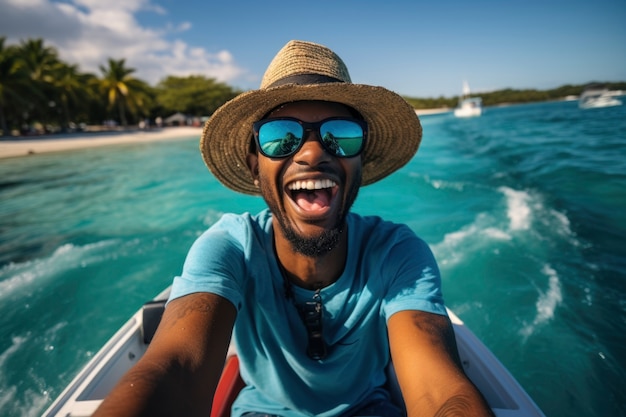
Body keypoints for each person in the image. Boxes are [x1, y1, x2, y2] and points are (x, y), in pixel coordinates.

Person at [94, 40, 494, 417]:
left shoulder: (398, 253)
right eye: (279, 137)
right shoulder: (230, 247)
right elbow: (176, 367)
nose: (312, 152)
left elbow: (439, 391)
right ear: (255, 167)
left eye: (341, 135)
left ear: (361, 161)